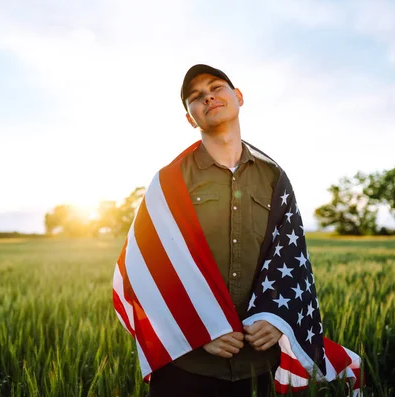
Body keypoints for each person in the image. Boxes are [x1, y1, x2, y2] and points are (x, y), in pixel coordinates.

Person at [141, 64, 283, 396]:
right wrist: (197, 328)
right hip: (185, 364)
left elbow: (288, 258)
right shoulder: (168, 181)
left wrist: (278, 317)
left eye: (216, 87)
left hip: (257, 365)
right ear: (190, 118)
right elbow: (148, 269)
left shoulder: (275, 178)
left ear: (239, 96)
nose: (208, 97)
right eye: (196, 96)